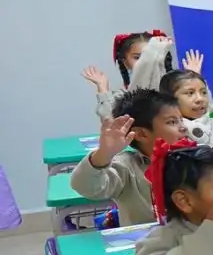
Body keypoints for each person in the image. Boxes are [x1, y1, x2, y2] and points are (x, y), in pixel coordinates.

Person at [71, 89, 184, 225]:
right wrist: (103, 154)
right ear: (141, 134)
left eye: (181, 120)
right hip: (149, 238)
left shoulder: (194, 159)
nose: (183, 128)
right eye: (172, 122)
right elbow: (84, 186)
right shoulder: (127, 167)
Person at [161, 69, 213, 149]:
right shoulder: (165, 131)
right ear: (169, 99)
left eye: (204, 92)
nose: (200, 99)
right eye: (190, 93)